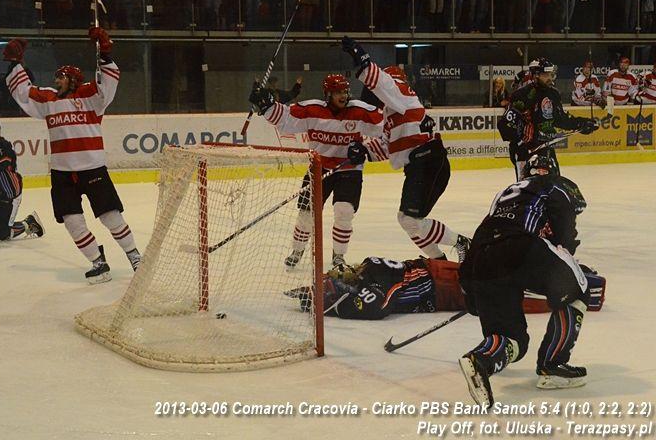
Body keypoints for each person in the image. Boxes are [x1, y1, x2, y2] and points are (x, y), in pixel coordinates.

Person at [3, 30, 141, 284]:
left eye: (61, 76)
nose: (57, 80)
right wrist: (15, 63)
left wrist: (105, 54)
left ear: (74, 80)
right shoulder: (48, 99)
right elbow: (23, 93)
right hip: (62, 174)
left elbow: (108, 84)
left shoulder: (91, 97)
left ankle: (134, 256)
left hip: (93, 169)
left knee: (110, 216)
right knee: (72, 221)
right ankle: (98, 262)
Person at [458, 154, 591, 407]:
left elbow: (486, 231)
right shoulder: (556, 184)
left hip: (480, 259)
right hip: (520, 248)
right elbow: (565, 227)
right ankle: (553, 367)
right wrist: (565, 257)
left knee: (513, 340)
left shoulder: (505, 193)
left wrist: (470, 288)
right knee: (580, 289)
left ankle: (481, 360)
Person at [341, 36, 471, 261]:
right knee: (407, 220)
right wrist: (364, 150)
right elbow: (386, 146)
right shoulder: (393, 112)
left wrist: (362, 60)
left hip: (428, 162)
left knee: (410, 220)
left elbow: (384, 84)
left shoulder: (402, 92)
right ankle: (438, 261)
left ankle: (462, 243)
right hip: (420, 165)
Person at [249, 73, 384, 267]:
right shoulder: (312, 109)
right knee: (306, 214)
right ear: (328, 94)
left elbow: (388, 128)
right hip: (318, 168)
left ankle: (338, 255)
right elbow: (285, 119)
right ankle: (297, 250)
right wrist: (267, 106)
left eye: (345, 91)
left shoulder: (360, 111)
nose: (343, 95)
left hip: (348, 168)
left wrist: (366, 149)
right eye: (337, 92)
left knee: (344, 211)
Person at [285, 254, 606, 320]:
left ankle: (576, 284)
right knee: (508, 284)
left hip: (444, 282)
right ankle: (574, 282)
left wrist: (334, 306)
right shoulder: (370, 272)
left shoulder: (374, 277)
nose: (341, 272)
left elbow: (373, 306)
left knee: (508, 292)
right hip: (445, 281)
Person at [498, 57, 599, 180]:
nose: (550, 78)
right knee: (528, 187)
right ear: (536, 75)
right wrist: (519, 144)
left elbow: (561, 119)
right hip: (525, 151)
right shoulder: (521, 95)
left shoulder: (553, 94)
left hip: (545, 148)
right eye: (546, 75)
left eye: (551, 74)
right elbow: (504, 125)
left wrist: (582, 124)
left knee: (553, 184)